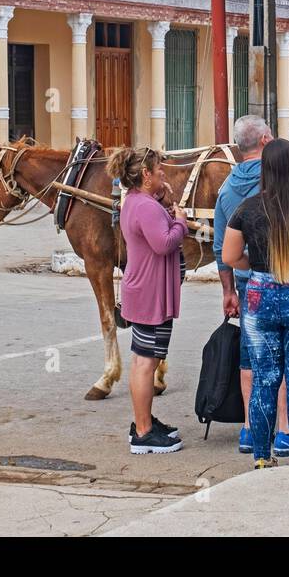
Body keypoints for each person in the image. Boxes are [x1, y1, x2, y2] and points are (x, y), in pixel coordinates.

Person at [213, 115, 289, 457]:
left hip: (253, 289)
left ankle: (251, 432)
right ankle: (286, 433)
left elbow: (224, 250)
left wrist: (229, 290)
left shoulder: (227, 190)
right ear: (265, 141)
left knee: (254, 362)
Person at [110, 146, 187, 454]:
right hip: (149, 293)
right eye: (159, 171)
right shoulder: (144, 206)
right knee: (145, 361)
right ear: (145, 175)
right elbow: (164, 243)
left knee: (146, 358)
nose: (163, 175)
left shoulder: (138, 202)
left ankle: (144, 422)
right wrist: (180, 220)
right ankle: (143, 432)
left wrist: (165, 201)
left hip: (146, 290)